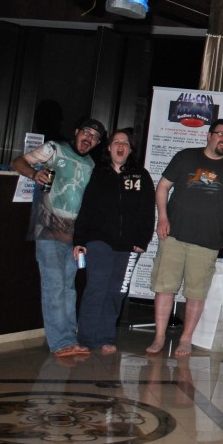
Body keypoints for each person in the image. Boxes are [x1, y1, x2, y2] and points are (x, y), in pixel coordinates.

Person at [148, 119, 223, 357]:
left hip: (208, 241)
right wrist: (162, 217)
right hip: (174, 235)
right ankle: (159, 337)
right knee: (164, 288)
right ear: (209, 135)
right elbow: (162, 187)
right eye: (220, 134)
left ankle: (185, 339)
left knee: (196, 293)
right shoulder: (185, 157)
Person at [12, 117, 106, 357]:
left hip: (74, 237)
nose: (89, 139)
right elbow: (18, 162)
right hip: (48, 230)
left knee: (69, 288)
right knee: (54, 286)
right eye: (86, 133)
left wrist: (83, 239)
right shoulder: (55, 149)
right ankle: (60, 342)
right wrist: (34, 174)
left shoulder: (91, 164)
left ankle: (69, 338)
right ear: (76, 132)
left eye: (95, 137)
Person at [72, 128, 156, 355]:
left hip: (129, 245)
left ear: (130, 149)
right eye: (116, 142)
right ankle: (86, 338)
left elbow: (147, 210)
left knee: (117, 291)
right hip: (99, 240)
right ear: (109, 148)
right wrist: (79, 240)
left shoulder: (141, 176)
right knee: (96, 288)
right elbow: (87, 208)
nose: (120, 146)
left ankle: (105, 337)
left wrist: (142, 239)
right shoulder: (99, 174)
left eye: (125, 143)